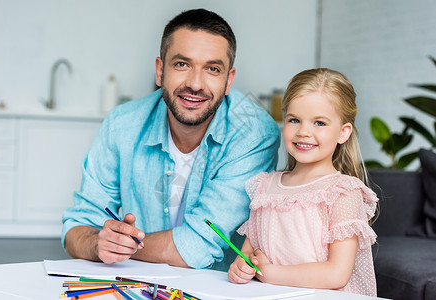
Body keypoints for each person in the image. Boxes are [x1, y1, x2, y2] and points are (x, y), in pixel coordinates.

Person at [61, 8, 280, 269]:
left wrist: (126, 250)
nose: (196, 84)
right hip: (138, 287)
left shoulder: (254, 132)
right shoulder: (122, 124)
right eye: (182, 64)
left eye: (212, 68)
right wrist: (98, 243)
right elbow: (78, 226)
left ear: (229, 80)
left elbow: (198, 246)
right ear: (159, 70)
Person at [228, 68, 378, 296]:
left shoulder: (343, 192)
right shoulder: (265, 187)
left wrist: (272, 274)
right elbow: (249, 255)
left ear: (343, 132)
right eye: (294, 120)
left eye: (319, 123)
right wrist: (240, 268)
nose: (304, 131)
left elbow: (337, 273)